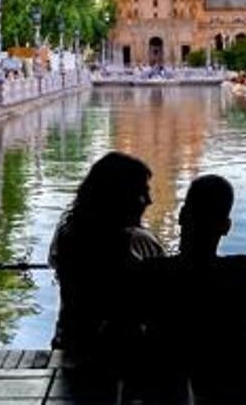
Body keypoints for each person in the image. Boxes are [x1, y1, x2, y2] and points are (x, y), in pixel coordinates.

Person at [142, 175, 246, 390]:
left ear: (182, 216)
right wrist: (235, 351)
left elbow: (119, 345)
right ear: (226, 226)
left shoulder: (152, 275)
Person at [48, 151, 164, 363]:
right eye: (142, 193)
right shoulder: (138, 242)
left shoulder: (66, 234)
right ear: (121, 196)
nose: (149, 200)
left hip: (71, 344)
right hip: (124, 351)